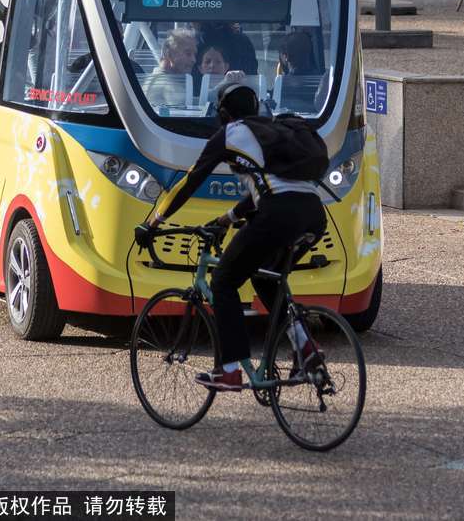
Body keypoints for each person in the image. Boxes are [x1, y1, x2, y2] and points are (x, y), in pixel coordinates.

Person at [136, 82, 327, 391]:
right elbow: (268, 188)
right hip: (313, 214)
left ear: (222, 114)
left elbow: (188, 182)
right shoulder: (274, 132)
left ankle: (228, 369)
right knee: (267, 278)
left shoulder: (228, 135)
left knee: (224, 281)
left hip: (277, 214)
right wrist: (227, 219)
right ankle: (307, 348)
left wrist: (154, 222)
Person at [142, 28, 197, 107]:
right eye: (188, 53)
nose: (194, 60)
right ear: (169, 54)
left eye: (194, 54)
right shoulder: (168, 86)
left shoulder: (154, 79)